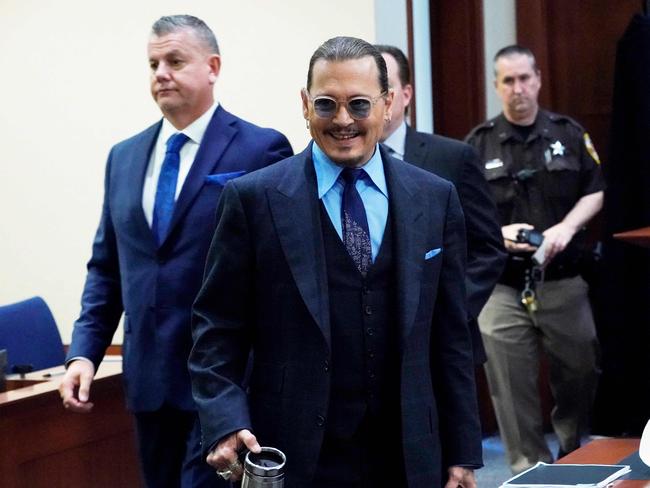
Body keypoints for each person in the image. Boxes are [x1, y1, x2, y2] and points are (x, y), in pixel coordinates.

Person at [189, 36, 482, 488]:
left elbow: (452, 337)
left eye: (359, 105)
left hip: (409, 455)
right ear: (305, 106)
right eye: (326, 104)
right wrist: (224, 419)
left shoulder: (435, 197)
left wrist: (463, 452)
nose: (343, 120)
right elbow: (216, 327)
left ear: (388, 105)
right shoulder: (253, 200)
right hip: (296, 453)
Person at [58, 14, 293, 488]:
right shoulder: (124, 157)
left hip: (226, 385)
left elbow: (280, 278)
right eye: (153, 63)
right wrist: (83, 353)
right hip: (149, 382)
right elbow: (108, 268)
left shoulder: (260, 149)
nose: (160, 72)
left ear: (212, 66)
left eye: (174, 60)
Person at [465, 45, 604, 474]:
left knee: (581, 368)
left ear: (538, 79)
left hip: (561, 278)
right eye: (508, 80)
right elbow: (463, 211)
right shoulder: (477, 143)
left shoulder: (568, 133)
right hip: (503, 286)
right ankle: (529, 471)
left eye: (525, 78)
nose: (518, 88)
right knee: (509, 384)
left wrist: (567, 227)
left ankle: (570, 446)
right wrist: (496, 234)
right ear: (496, 86)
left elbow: (596, 188)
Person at [375, 44, 506, 364]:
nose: (375, 100)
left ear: (405, 95)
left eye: (384, 88)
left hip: (442, 344)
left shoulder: (452, 157)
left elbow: (488, 248)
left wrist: (452, 310)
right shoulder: (343, 164)